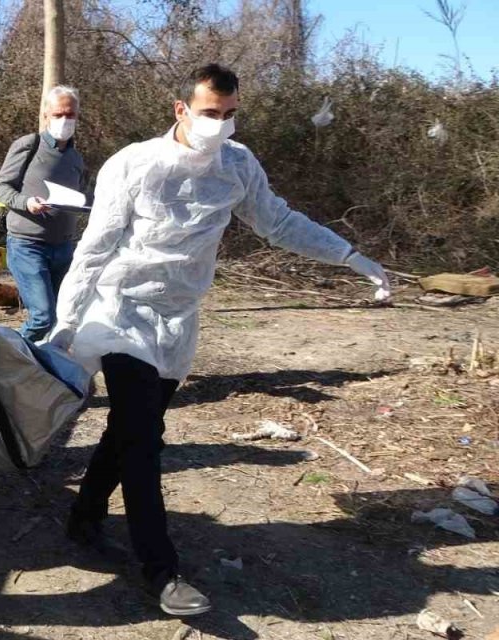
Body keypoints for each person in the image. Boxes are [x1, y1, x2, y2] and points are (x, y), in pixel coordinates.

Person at [49, 64, 392, 617]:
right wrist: (65, 325)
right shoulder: (134, 165)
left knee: (131, 429)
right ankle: (161, 570)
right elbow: (94, 248)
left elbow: (279, 223)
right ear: (181, 110)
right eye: (210, 113)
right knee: (143, 437)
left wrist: (349, 256)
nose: (221, 126)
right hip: (121, 311)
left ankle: (84, 517)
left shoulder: (237, 165)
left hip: (179, 318)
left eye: (230, 115)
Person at [0, 85, 88, 342]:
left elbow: (79, 197)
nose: (64, 120)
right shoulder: (28, 146)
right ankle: (2, 355)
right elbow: (0, 188)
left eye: (70, 115)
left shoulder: (76, 159)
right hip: (27, 245)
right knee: (42, 317)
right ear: (46, 115)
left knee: (60, 318)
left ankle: (37, 369)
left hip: (64, 248)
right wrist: (26, 202)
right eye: (58, 114)